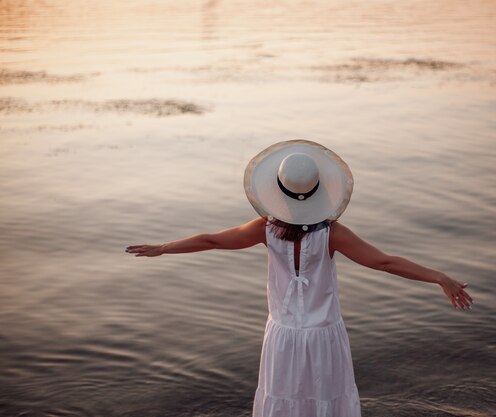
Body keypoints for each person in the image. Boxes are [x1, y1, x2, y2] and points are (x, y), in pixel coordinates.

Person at [126, 139, 473, 417]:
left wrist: (164, 247)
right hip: (324, 335)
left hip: (282, 336)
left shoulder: (265, 229)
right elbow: (384, 263)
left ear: (277, 190)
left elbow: (212, 240)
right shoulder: (333, 234)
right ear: (320, 191)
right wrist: (438, 277)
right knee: (327, 401)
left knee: (283, 402)